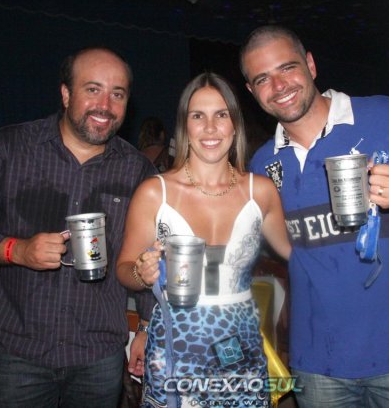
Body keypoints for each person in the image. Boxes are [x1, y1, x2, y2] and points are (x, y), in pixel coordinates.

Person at [240, 25, 389, 407]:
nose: (278, 86)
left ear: (311, 65)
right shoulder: (263, 164)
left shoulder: (386, 117)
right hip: (317, 362)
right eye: (262, 79)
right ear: (251, 91)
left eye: (287, 68)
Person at [0, 46, 157, 407]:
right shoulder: (9, 148)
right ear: (66, 93)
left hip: (98, 352)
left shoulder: (137, 170)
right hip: (19, 351)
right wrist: (16, 250)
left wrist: (147, 328)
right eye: (93, 89)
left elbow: (147, 254)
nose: (105, 105)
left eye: (117, 94)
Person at [116, 72, 291, 407]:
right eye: (198, 116)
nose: (210, 128)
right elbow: (124, 268)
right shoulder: (155, 193)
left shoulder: (261, 191)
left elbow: (297, 255)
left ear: (235, 125)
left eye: (221, 114)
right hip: (175, 347)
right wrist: (141, 272)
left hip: (239, 348)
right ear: (185, 126)